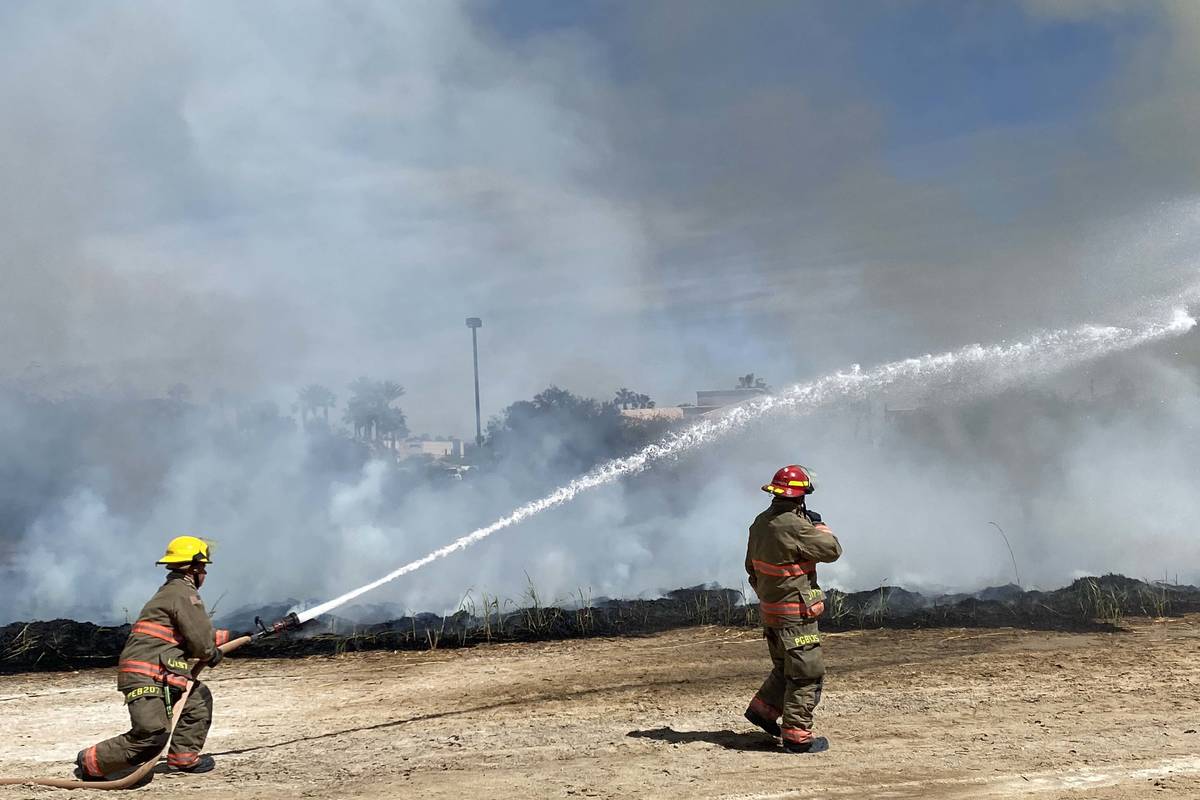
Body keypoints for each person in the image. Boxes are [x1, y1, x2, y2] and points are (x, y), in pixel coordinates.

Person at [75, 536, 231, 780]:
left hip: (160, 672)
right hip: (147, 674)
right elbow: (201, 644)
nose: (205, 574)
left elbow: (188, 634)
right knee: (150, 734)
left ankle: (183, 758)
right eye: (203, 568)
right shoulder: (183, 594)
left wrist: (231, 638)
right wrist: (211, 653)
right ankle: (92, 761)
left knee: (197, 699)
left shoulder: (172, 592)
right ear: (193, 567)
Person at [743, 465, 842, 753]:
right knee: (806, 674)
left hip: (772, 612)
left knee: (785, 667)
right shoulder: (796, 526)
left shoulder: (760, 523)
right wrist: (819, 525)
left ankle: (762, 711)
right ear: (801, 498)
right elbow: (832, 550)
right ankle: (798, 737)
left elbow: (751, 569)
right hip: (796, 614)